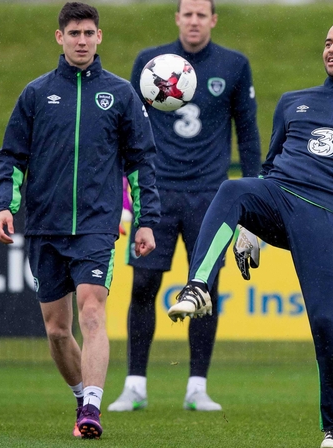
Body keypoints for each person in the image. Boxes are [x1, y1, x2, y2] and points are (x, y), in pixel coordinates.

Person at [166, 20, 333, 448]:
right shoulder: (294, 102)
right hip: (278, 198)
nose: (331, 49)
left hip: (328, 219)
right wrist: (250, 229)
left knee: (325, 321)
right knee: (233, 187)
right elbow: (268, 169)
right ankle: (198, 287)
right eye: (327, 42)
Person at [0, 1, 160, 439]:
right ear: (60, 37)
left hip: (97, 224)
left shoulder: (121, 94)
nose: (81, 40)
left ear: (99, 37)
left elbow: (141, 162)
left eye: (89, 33)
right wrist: (4, 205)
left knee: (92, 309)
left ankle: (92, 408)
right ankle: (81, 393)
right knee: (56, 331)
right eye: (74, 33)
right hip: (46, 226)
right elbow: (12, 156)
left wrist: (145, 220)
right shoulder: (35, 94)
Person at [107, 0, 260, 414]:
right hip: (156, 194)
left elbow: (247, 134)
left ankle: (197, 387)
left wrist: (255, 200)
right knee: (143, 286)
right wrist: (127, 192)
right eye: (186, 13)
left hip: (212, 197)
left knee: (205, 288)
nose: (193, 20)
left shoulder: (234, 64)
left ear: (213, 19)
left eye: (201, 14)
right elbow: (130, 130)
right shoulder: (149, 62)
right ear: (177, 19)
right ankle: (134, 385)